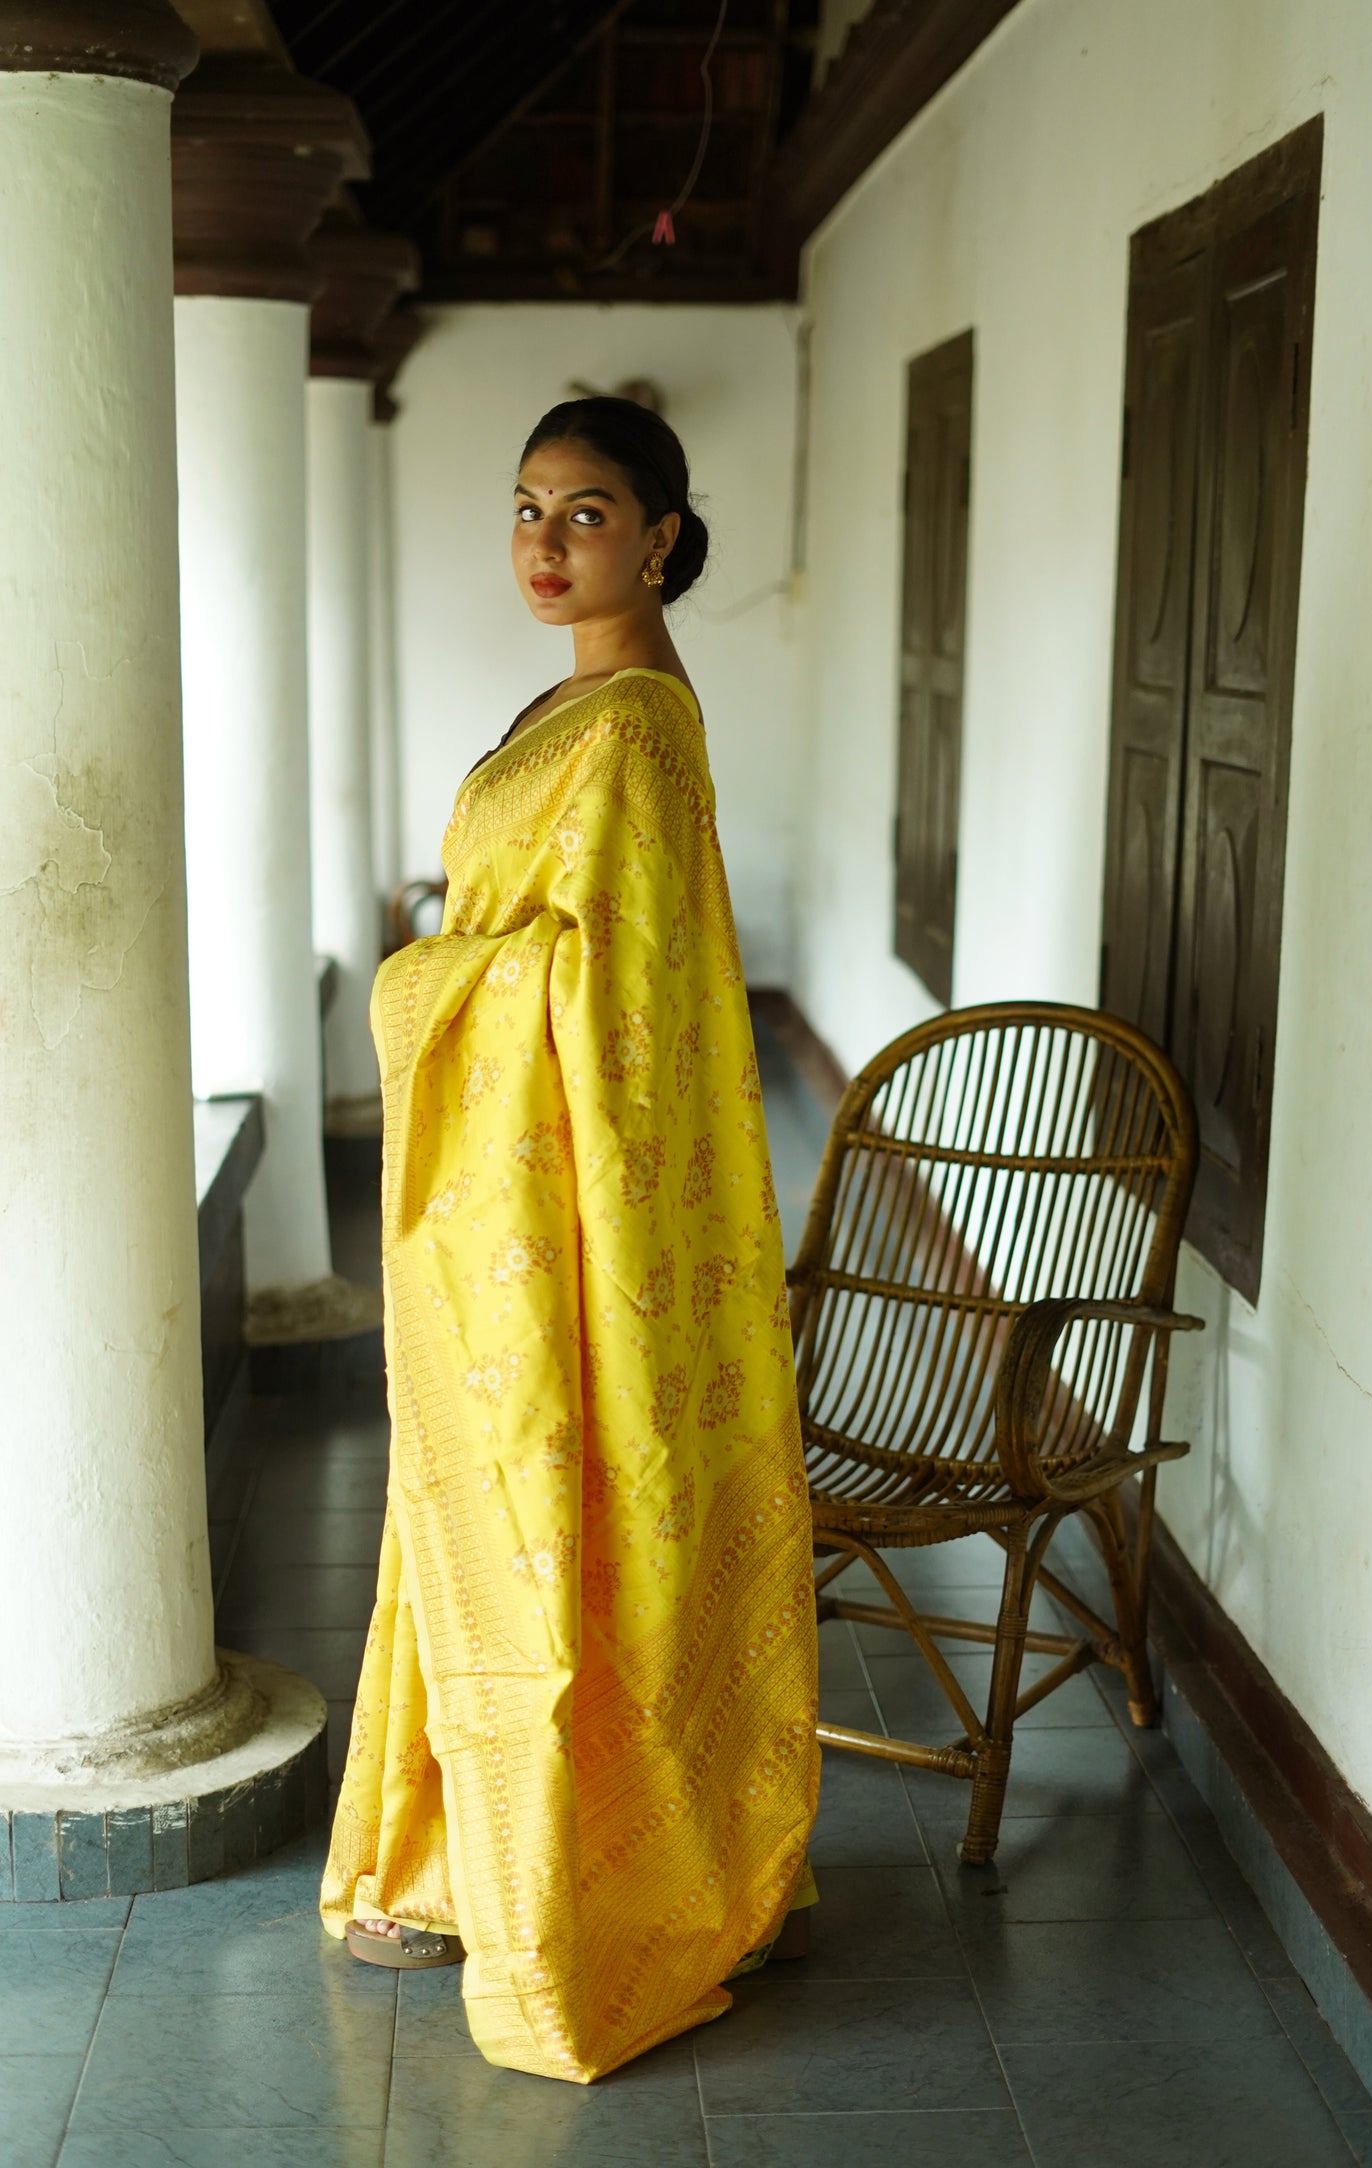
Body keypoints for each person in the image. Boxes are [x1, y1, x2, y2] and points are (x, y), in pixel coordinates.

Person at [319, 397, 820, 2083]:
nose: (545, 543)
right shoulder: (569, 700)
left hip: (559, 1192)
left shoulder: (636, 735)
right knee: (481, 1502)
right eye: (526, 508)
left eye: (587, 513)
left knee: (552, 1499)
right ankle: (455, 1852)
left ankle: (561, 1878)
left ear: (662, 536)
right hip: (501, 1187)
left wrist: (422, 980)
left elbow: (615, 998)